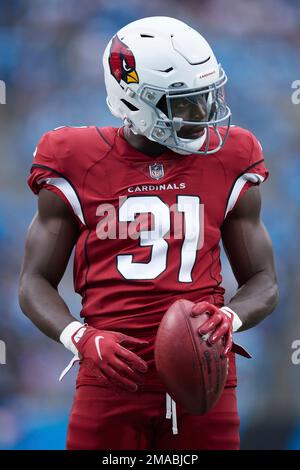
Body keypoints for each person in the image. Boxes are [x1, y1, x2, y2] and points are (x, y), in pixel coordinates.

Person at [19, 16, 279, 450]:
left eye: (207, 98)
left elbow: (264, 281)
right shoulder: (72, 157)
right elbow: (33, 282)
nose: (204, 116)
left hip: (207, 376)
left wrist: (229, 318)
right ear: (134, 100)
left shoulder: (235, 154)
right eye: (186, 104)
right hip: (110, 376)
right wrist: (79, 336)